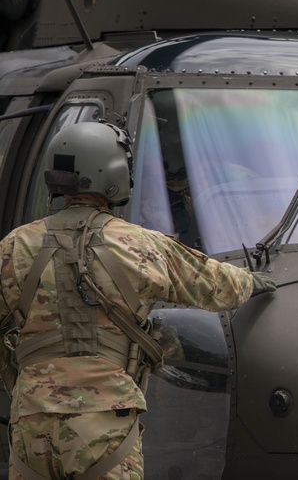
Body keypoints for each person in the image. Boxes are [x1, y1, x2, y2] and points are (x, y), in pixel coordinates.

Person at [0, 120, 277, 480]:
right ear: (112, 171)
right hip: (104, 420)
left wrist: (16, 375)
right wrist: (253, 282)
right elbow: (215, 285)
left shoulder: (14, 246)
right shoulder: (140, 245)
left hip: (31, 420)